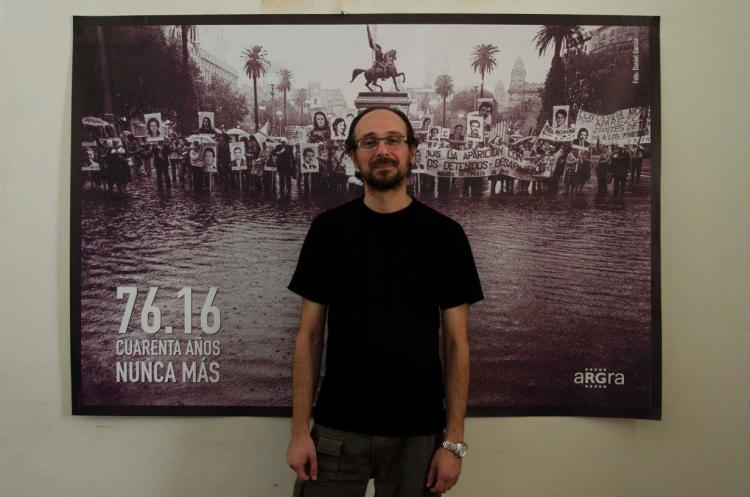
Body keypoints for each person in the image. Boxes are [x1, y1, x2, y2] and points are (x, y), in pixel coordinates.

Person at [286, 106, 483, 497]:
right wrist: (298, 432)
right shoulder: (327, 231)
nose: (382, 151)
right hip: (337, 428)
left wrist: (454, 442)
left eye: (394, 140)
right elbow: (309, 337)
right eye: (369, 142)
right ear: (353, 155)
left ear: (412, 152)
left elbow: (457, 344)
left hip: (419, 434)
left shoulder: (446, 236)